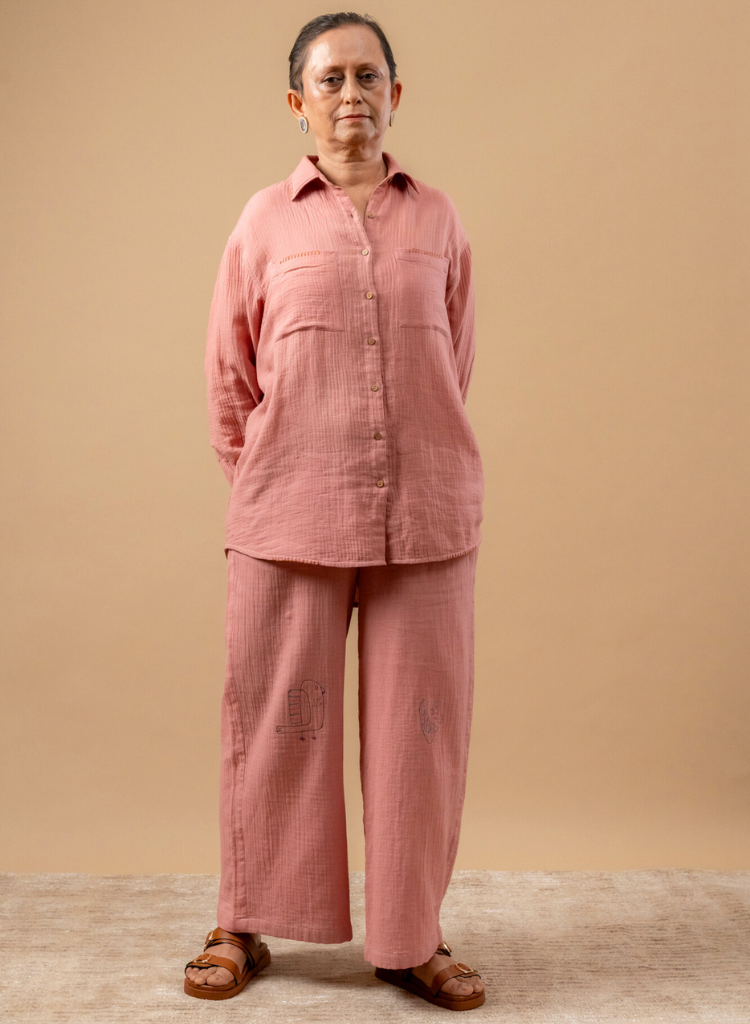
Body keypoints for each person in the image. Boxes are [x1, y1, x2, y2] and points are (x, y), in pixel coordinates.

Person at [184, 11, 486, 1011]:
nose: (351, 94)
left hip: (426, 517)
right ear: (298, 102)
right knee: (275, 726)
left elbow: (453, 360)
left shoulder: (438, 218)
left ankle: (410, 938)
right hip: (289, 515)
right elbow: (230, 377)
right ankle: (243, 921)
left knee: (421, 738)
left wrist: (413, 459)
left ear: (396, 95)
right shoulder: (262, 221)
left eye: (368, 76)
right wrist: (273, 478)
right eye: (330, 79)